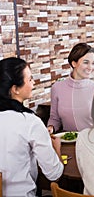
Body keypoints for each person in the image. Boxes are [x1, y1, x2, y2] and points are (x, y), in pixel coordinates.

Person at [0, 57, 64, 196]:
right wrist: (56, 149)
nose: (33, 83)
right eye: (30, 79)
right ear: (15, 89)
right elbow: (54, 174)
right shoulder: (30, 122)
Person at [47, 43, 94, 133]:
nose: (91, 67)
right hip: (67, 142)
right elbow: (54, 119)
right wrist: (50, 128)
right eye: (86, 62)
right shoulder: (57, 88)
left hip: (92, 142)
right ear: (74, 63)